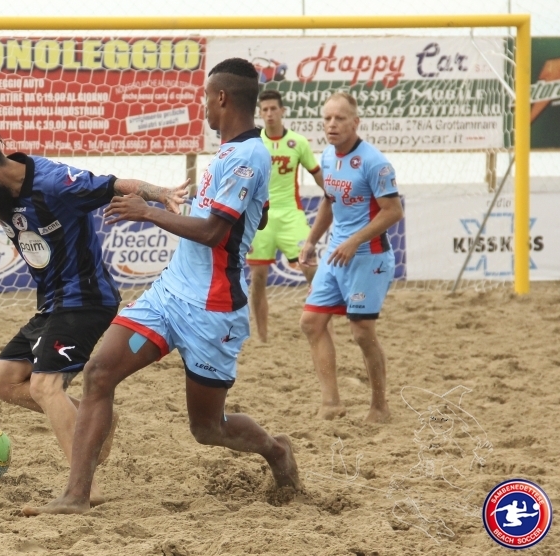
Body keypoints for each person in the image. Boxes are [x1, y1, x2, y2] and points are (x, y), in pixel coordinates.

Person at [22, 58, 301, 516]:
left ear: (221, 98)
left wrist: (147, 211)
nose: (203, 107)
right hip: (169, 295)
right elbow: (254, 216)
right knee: (98, 373)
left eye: (206, 97)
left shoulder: (249, 155)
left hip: (212, 309)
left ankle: (276, 450)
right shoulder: (230, 153)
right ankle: (76, 495)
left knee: (207, 429)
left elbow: (213, 232)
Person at [0, 124, 187, 504]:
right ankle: (98, 418)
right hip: (51, 303)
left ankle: (84, 490)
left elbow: (116, 184)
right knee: (0, 380)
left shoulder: (55, 183)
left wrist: (162, 193)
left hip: (86, 299)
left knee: (44, 386)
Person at [297, 92, 404, 424]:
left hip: (369, 257)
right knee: (311, 322)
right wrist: (311, 241)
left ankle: (380, 407)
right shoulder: (328, 156)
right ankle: (331, 403)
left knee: (361, 332)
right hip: (336, 254)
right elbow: (329, 201)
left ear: (355, 122)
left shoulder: (374, 162)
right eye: (327, 118)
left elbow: (393, 211)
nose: (332, 124)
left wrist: (355, 240)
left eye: (339, 118)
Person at [246, 89, 325, 342]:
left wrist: (336, 196)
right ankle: (262, 338)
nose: (269, 114)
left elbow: (317, 174)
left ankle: (323, 326)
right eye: (265, 109)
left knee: (312, 269)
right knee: (258, 278)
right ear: (260, 113)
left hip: (292, 215)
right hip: (261, 218)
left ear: (282, 111)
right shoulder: (254, 141)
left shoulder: (298, 142)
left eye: (273, 109)